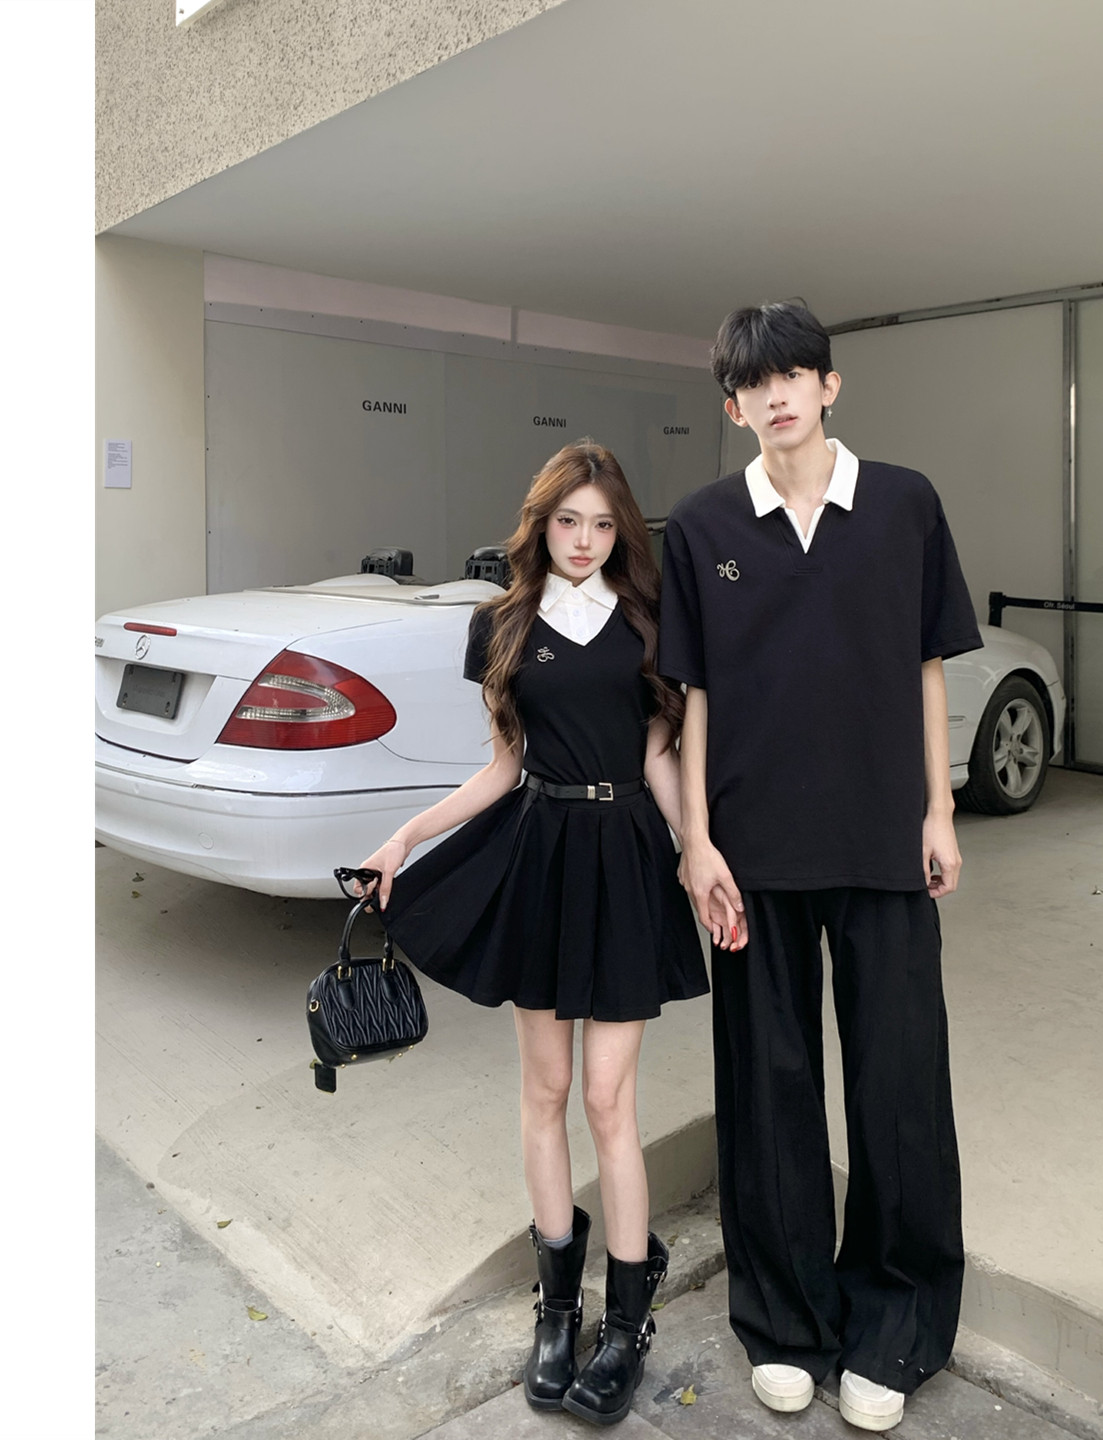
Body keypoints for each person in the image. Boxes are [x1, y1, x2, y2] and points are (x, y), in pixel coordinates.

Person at [658, 302, 982, 1433]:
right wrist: (698, 841)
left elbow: (929, 666)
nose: (778, 393)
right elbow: (695, 697)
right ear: (733, 406)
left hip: (884, 840)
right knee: (769, 1088)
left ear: (829, 386)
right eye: (756, 381)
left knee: (899, 1085)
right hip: (754, 854)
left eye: (795, 372)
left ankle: (897, 1323)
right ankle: (786, 1320)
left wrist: (939, 809)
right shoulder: (703, 525)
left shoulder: (902, 504)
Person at [352, 440, 710, 1427]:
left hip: (626, 858)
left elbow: (662, 760)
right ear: (541, 525)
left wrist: (698, 854)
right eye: (568, 522)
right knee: (546, 1091)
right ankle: (558, 1311)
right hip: (543, 859)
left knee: (607, 1099)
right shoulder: (503, 625)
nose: (585, 540)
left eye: (602, 524)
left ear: (621, 531)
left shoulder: (646, 621)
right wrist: (405, 837)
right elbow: (503, 767)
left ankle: (626, 1322)